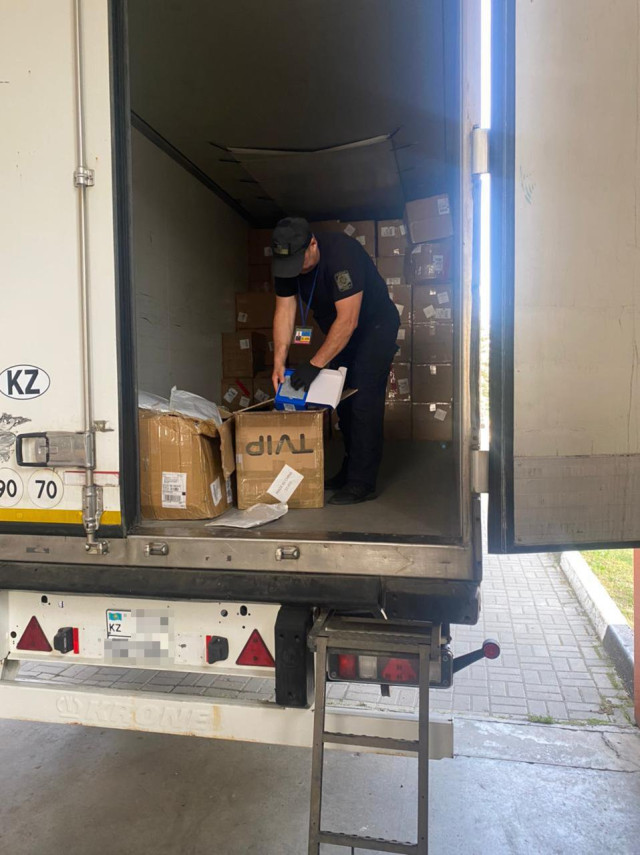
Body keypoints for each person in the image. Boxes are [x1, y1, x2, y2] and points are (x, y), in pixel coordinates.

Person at [270, 217, 400, 505]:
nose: (295, 270)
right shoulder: (286, 264)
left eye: (299, 262)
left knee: (363, 397)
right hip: (338, 331)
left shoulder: (342, 255)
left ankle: (361, 481)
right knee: (342, 399)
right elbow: (285, 311)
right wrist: (279, 361)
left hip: (374, 326)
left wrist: (314, 364)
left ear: (312, 244)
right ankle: (349, 469)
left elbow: (349, 320)